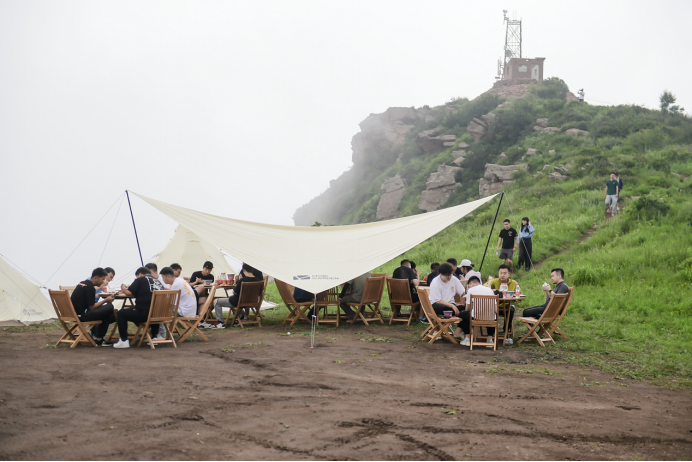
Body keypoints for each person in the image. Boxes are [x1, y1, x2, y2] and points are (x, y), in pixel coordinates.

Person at [113, 267, 165, 349]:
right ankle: (154, 336)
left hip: (144, 314)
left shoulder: (140, 280)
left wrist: (123, 287)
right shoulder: (157, 281)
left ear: (140, 274)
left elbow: (128, 293)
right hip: (158, 314)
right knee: (152, 309)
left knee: (121, 313)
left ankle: (123, 340)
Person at [206, 263, 263, 329]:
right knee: (230, 300)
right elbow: (260, 293)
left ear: (244, 270)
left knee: (216, 301)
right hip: (253, 301)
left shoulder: (242, 280)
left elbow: (234, 292)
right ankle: (239, 316)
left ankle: (220, 322)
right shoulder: (259, 281)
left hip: (238, 301)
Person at [71, 268, 116, 347]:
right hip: (83, 316)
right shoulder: (90, 288)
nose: (103, 282)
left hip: (74, 314)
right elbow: (92, 307)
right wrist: (106, 300)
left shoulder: (82, 283)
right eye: (102, 280)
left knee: (106, 313)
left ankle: (99, 338)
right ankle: (99, 338)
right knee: (109, 307)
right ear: (95, 278)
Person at [428, 263, 468, 344]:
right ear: (441, 274)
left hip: (450, 306)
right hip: (438, 306)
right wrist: (452, 306)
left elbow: (463, 292)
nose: (449, 277)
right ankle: (456, 333)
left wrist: (462, 303)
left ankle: (458, 332)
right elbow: (437, 300)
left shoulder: (454, 279)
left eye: (450, 275)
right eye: (447, 276)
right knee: (441, 307)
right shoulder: (435, 282)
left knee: (466, 311)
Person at [453, 276, 497, 345]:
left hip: (476, 318)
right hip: (490, 319)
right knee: (492, 315)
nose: (469, 287)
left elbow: (467, 309)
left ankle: (467, 337)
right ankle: (490, 339)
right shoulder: (490, 290)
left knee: (464, 313)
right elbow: (495, 309)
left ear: (472, 284)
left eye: (469, 285)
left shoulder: (471, 290)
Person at [488, 264, 517, 345]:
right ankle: (490, 334)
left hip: (508, 305)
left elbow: (518, 294)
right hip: (495, 305)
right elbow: (486, 286)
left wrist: (513, 295)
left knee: (511, 310)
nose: (502, 275)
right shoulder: (494, 281)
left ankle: (506, 333)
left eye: (505, 273)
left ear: (509, 274)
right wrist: (493, 289)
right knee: (489, 310)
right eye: (501, 273)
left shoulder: (514, 283)